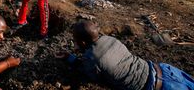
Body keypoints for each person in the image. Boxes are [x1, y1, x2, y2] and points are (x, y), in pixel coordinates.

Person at [56, 20, 194, 90]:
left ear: (83, 42)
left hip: (159, 87)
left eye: (75, 41)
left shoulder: (91, 57)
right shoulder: (110, 39)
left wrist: (70, 59)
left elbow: (92, 76)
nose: (74, 43)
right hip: (164, 70)